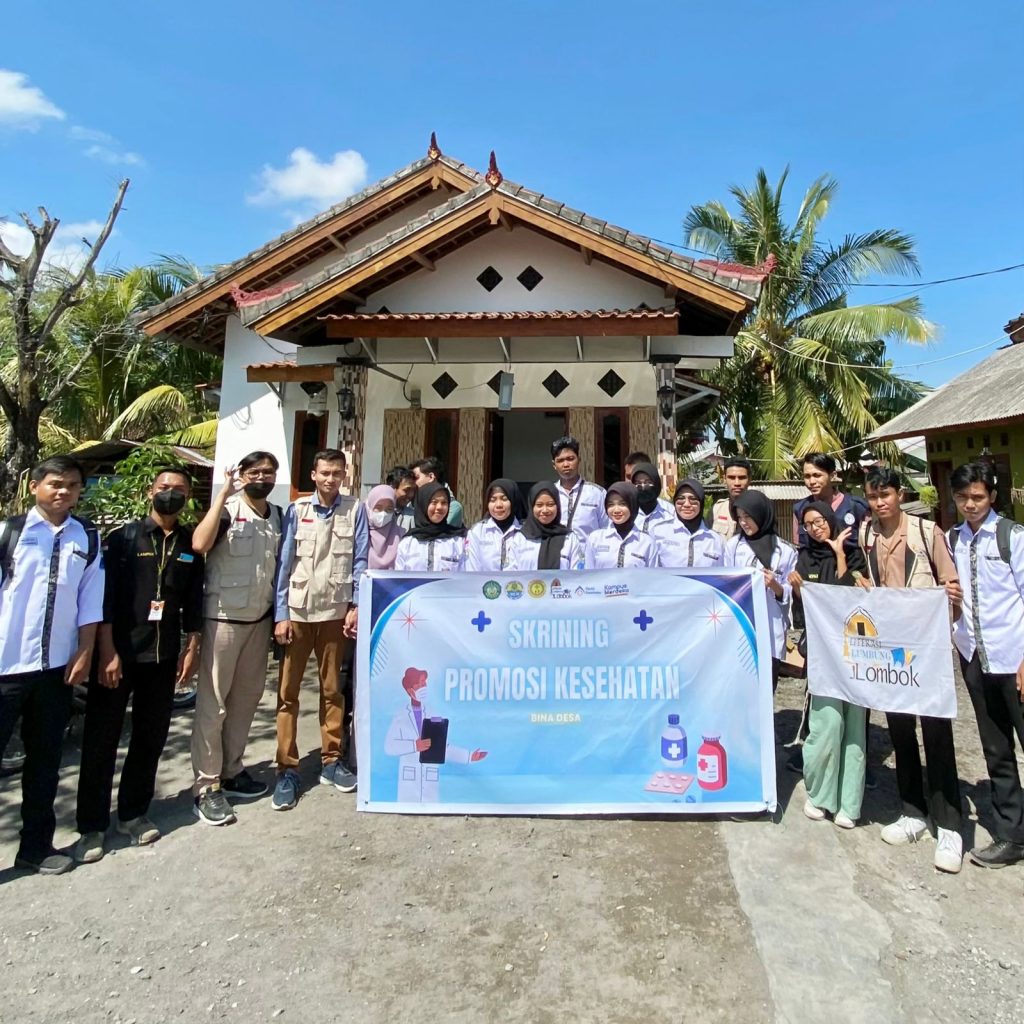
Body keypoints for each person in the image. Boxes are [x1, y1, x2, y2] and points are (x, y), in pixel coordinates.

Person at [75, 467, 204, 864]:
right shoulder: (124, 539)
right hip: (119, 655)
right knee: (102, 740)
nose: (171, 494)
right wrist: (107, 652)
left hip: (162, 657)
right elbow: (105, 599)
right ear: (151, 492)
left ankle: (133, 813)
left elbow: (193, 600)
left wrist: (192, 646)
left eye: (179, 490)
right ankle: (91, 827)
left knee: (150, 738)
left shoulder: (188, 543)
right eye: (164, 487)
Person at [0, 456, 104, 875]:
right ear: (35, 487)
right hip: (6, 669)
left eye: (73, 486)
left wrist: (84, 652)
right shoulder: (10, 533)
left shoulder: (87, 538)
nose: (64, 492)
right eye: (56, 484)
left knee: (44, 764)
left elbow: (90, 600)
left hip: (56, 671)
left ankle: (36, 848)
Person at [857, 466, 964, 872]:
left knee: (937, 732)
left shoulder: (926, 532)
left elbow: (951, 588)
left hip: (927, 649)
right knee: (901, 730)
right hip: (889, 650)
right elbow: (870, 581)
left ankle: (950, 826)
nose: (879, 502)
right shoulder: (869, 535)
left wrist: (948, 597)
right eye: (872, 496)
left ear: (899, 494)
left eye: (885, 494)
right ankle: (913, 812)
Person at [187, 453, 282, 827]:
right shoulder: (227, 510)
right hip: (222, 619)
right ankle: (206, 786)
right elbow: (199, 543)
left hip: (258, 621)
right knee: (214, 705)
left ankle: (231, 770)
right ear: (242, 475)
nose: (262, 477)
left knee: (245, 701)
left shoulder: (276, 515)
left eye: (268, 473)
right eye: (254, 472)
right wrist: (222, 493)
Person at [271, 449, 366, 811]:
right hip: (297, 611)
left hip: (335, 613)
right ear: (313, 474)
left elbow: (360, 559)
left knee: (332, 691)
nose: (330, 479)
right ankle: (287, 769)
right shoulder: (297, 511)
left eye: (337, 473)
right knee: (288, 694)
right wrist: (281, 615)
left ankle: (331, 760)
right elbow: (284, 565)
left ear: (345, 475)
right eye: (325, 472)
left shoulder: (354, 511)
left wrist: (355, 605)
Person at [947, 461, 1024, 870]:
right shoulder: (951, 539)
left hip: (1014, 660)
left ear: (992, 496)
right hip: (975, 658)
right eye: (962, 498)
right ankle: (1013, 835)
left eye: (977, 497)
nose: (969, 504)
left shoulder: (1013, 537)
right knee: (996, 750)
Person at [790, 502, 868, 828]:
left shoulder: (854, 554)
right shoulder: (805, 558)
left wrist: (838, 554)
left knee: (854, 728)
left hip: (856, 653)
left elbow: (852, 596)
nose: (815, 528)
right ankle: (821, 796)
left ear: (831, 520)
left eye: (819, 520)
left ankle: (849, 804)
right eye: (808, 524)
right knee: (827, 724)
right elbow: (804, 607)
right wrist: (795, 589)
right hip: (823, 655)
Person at [384, 667, 486, 802]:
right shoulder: (400, 716)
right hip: (409, 778)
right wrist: (415, 746)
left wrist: (469, 756)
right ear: (410, 690)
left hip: (429, 778)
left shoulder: (433, 713)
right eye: (419, 684)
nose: (423, 687)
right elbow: (389, 747)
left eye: (424, 683)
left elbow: (443, 747)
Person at [724, 490, 797, 679]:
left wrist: (775, 586)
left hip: (771, 629)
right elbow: (725, 582)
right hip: (741, 627)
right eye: (739, 517)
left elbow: (789, 592)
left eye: (748, 516)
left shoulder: (786, 551)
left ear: (761, 514)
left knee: (766, 688)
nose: (743, 522)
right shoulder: (732, 547)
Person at [794, 452, 869, 554]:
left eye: (817, 475)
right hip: (814, 569)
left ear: (832, 475)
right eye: (807, 476)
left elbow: (869, 547)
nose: (811, 481)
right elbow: (799, 547)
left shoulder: (856, 507)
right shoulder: (800, 509)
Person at [509, 483, 584, 571]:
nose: (545, 510)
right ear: (531, 507)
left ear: (558, 506)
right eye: (539, 505)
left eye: (550, 504)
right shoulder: (520, 538)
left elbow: (578, 575)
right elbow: (511, 575)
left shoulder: (569, 538)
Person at [652, 479, 725, 568]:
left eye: (693, 499)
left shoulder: (715, 540)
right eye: (681, 498)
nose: (686, 504)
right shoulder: (658, 532)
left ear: (701, 502)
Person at [584, 483, 658, 569]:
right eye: (611, 505)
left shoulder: (647, 543)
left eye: (622, 504)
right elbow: (589, 575)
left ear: (633, 505)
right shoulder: (595, 539)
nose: (616, 510)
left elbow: (653, 579)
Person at [395, 482, 467, 571]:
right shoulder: (408, 543)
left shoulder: (457, 541)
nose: (439, 507)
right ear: (423, 504)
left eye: (444, 502)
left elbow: (466, 577)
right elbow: (399, 579)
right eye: (434, 502)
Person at [551, 436, 608, 545]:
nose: (566, 464)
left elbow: (606, 529)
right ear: (554, 465)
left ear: (579, 460)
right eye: (560, 460)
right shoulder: (549, 493)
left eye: (570, 459)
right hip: (557, 558)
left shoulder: (597, 493)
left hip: (588, 558)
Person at [466, 479, 526, 572]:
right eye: (492, 500)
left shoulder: (525, 531)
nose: (498, 505)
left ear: (514, 501)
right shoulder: (477, 532)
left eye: (504, 499)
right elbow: (472, 569)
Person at [410, 457, 463, 528]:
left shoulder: (453, 507)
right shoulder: (411, 503)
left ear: (431, 477)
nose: (413, 483)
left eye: (416, 478)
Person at [709, 457, 753, 540]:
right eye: (731, 478)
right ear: (724, 479)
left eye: (742, 477)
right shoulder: (716, 510)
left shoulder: (761, 511)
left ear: (749, 479)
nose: (737, 483)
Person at [366, 484, 405, 571]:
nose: (383, 513)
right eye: (378, 508)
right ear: (369, 507)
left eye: (389, 509)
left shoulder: (401, 535)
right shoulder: (361, 533)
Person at [630, 462, 673, 533]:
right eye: (638, 483)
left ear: (657, 483)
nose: (643, 487)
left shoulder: (670, 511)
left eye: (648, 482)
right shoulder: (628, 512)